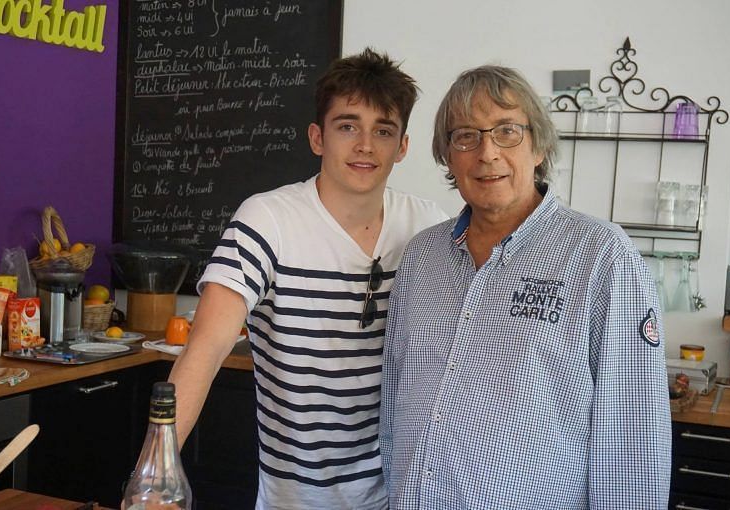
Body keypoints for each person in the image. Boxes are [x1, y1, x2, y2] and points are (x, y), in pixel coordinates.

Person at [168, 48, 449, 510]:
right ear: (317, 138)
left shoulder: (429, 227)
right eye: (347, 126)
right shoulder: (268, 220)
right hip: (295, 499)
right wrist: (153, 471)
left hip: (402, 494)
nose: (365, 145)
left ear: (402, 146)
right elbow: (206, 348)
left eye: (383, 130)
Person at [379, 65, 671, 509]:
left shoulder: (600, 255)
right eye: (466, 136)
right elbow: (394, 394)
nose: (487, 153)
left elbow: (632, 429)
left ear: (538, 146)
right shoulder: (422, 256)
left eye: (507, 131)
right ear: (448, 157)